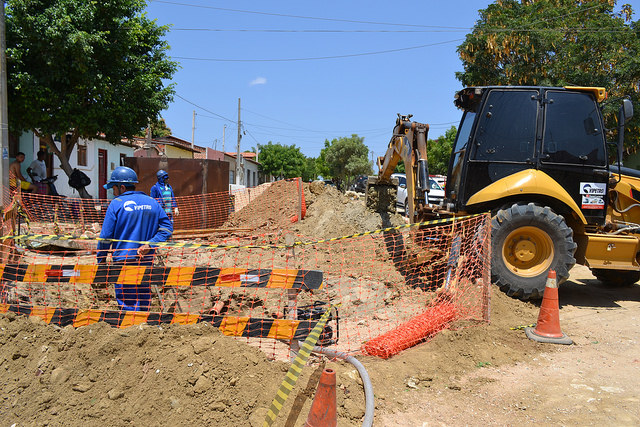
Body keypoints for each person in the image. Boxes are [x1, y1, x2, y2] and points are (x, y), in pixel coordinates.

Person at [97, 166, 173, 311]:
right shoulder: (152, 203)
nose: (113, 192)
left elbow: (106, 237)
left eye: (113, 188)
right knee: (144, 298)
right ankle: (144, 329)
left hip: (123, 261)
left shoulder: (116, 204)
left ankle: (130, 329)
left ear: (122, 187)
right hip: (145, 260)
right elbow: (167, 228)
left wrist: (101, 260)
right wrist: (150, 245)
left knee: (127, 302)